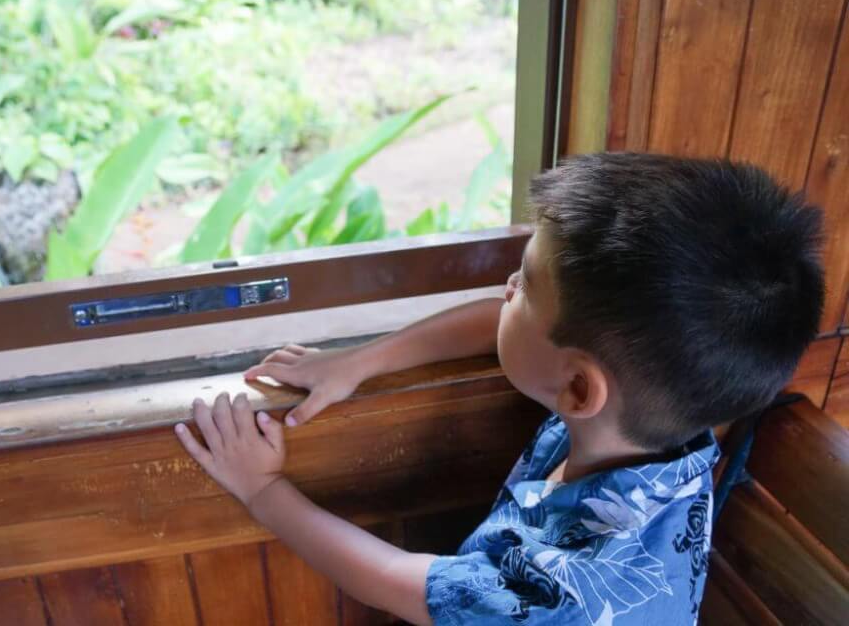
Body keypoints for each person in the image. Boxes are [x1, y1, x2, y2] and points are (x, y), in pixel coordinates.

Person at [174, 152, 824, 625]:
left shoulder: (561, 601)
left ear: (578, 389)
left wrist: (261, 489)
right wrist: (358, 362)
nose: (505, 290)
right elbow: (514, 328)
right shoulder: (662, 424)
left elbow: (391, 579)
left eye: (523, 282)